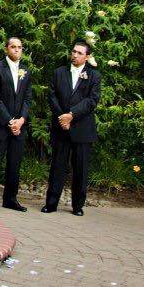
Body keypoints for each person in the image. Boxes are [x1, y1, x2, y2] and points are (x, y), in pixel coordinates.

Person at [42, 40, 101, 216]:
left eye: (79, 53)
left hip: (82, 129)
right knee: (57, 166)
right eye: (73, 51)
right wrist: (62, 117)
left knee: (81, 169)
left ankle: (77, 206)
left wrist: (72, 115)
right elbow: (52, 96)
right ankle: (51, 203)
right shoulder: (59, 72)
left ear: (87, 57)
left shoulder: (94, 76)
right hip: (61, 127)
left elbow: (92, 100)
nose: (75, 55)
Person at [0, 37, 32, 212]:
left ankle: (10, 198)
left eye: (19, 47)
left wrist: (22, 120)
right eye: (13, 47)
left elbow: (27, 98)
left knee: (14, 162)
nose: (17, 50)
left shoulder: (25, 70)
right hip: (0, 124)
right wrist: (10, 121)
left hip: (19, 126)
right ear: (6, 49)